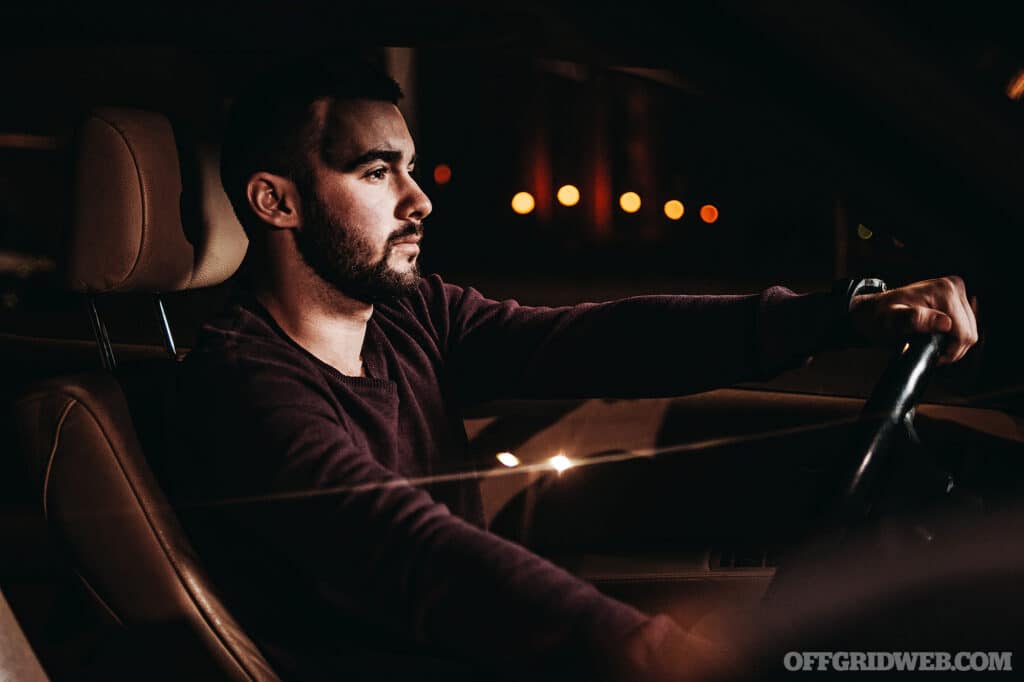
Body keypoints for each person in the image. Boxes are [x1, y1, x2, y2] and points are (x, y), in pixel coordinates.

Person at [170, 56, 978, 682]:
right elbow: (410, 548)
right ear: (277, 203)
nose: (419, 202)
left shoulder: (409, 317)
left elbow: (608, 339)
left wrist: (843, 313)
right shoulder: (245, 391)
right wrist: (641, 649)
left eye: (411, 169)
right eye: (378, 172)